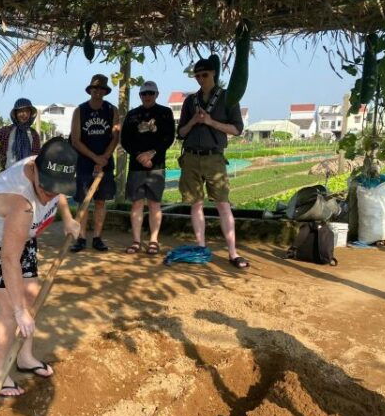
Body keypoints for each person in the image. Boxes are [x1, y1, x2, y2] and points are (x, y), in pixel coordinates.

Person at [0, 137, 80, 397]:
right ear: (35, 169)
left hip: (21, 235)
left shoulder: (51, 170)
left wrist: (68, 219)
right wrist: (18, 311)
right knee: (9, 308)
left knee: (31, 294)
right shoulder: (21, 203)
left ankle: (24, 357)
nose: (49, 194)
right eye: (45, 187)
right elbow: (9, 258)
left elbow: (57, 193)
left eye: (56, 188)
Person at [177, 59, 250, 269]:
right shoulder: (190, 101)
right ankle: (200, 247)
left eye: (205, 75)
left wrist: (210, 122)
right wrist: (193, 121)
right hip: (191, 157)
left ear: (214, 74)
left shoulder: (228, 98)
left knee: (223, 204)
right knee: (196, 203)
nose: (201, 79)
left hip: (214, 158)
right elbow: (180, 132)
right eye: (197, 76)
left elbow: (237, 129)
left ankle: (233, 253)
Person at [120, 81, 175, 255]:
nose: (148, 96)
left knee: (154, 204)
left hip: (156, 166)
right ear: (140, 95)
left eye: (151, 93)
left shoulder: (165, 113)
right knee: (136, 204)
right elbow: (126, 140)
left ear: (157, 94)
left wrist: (152, 154)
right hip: (137, 166)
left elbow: (169, 137)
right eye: (144, 93)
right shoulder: (132, 115)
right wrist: (140, 156)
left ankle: (153, 240)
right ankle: (136, 240)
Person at [70, 74, 120, 252]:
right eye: (95, 88)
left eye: (101, 89)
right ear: (90, 90)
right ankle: (81, 238)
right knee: (83, 201)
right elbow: (75, 140)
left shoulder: (111, 110)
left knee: (100, 201)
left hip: (105, 162)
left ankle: (97, 237)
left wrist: (104, 157)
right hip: (85, 162)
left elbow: (115, 137)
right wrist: (94, 158)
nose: (98, 91)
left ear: (105, 91)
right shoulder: (80, 110)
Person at [0, 98, 42, 169]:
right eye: (20, 111)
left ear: (30, 114)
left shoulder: (33, 134)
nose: (24, 114)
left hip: (26, 174)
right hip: (7, 173)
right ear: (15, 114)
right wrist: (0, 156)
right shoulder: (6, 130)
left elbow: (36, 155)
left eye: (27, 111)